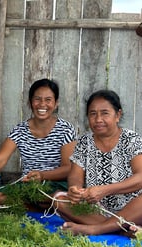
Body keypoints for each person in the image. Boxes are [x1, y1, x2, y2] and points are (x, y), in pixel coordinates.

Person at [0, 78, 77, 206]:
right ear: (30, 102)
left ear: (56, 103)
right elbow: (0, 159)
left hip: (56, 185)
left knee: (58, 197)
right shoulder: (20, 130)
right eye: (37, 99)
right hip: (28, 187)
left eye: (48, 100)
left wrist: (42, 175)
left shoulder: (65, 129)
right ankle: (36, 205)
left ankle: (40, 203)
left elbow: (68, 168)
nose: (42, 104)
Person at [57, 89, 142, 236]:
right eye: (93, 114)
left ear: (118, 115)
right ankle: (121, 229)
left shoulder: (131, 140)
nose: (98, 119)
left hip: (132, 208)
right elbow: (75, 176)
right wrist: (75, 189)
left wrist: (105, 190)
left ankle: (95, 229)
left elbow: (140, 178)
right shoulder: (84, 142)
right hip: (98, 210)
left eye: (105, 113)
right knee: (59, 200)